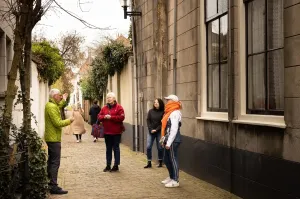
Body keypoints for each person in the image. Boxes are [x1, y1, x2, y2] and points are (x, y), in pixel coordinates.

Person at [44, 89, 74, 194]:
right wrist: (69, 120)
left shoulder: (52, 104)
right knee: (55, 162)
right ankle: (53, 186)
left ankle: (49, 182)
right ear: (54, 96)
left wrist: (64, 99)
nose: (60, 97)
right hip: (53, 139)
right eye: (59, 95)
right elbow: (57, 122)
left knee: (51, 161)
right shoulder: (51, 107)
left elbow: (59, 105)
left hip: (52, 137)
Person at [98, 92, 125, 172]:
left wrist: (111, 117)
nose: (108, 99)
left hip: (116, 132)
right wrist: (104, 117)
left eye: (110, 97)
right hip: (107, 132)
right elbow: (99, 117)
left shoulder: (119, 107)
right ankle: (108, 165)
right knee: (108, 149)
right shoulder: (104, 108)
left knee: (116, 148)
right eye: (107, 97)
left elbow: (121, 117)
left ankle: (116, 165)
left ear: (114, 99)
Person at [160, 94, 182, 188]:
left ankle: (176, 180)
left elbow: (174, 129)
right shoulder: (169, 112)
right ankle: (171, 176)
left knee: (173, 159)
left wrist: (168, 143)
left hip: (173, 140)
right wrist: (163, 140)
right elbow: (166, 129)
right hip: (168, 139)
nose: (166, 102)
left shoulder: (175, 113)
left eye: (168, 100)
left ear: (173, 101)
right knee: (166, 159)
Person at [144, 98, 165, 168]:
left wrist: (156, 129)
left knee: (160, 147)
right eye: (154, 102)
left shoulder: (163, 112)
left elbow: (163, 123)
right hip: (151, 131)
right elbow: (148, 120)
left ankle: (160, 162)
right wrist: (151, 129)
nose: (155, 103)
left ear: (160, 104)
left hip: (159, 132)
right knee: (148, 146)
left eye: (157, 102)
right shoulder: (150, 111)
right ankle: (149, 162)